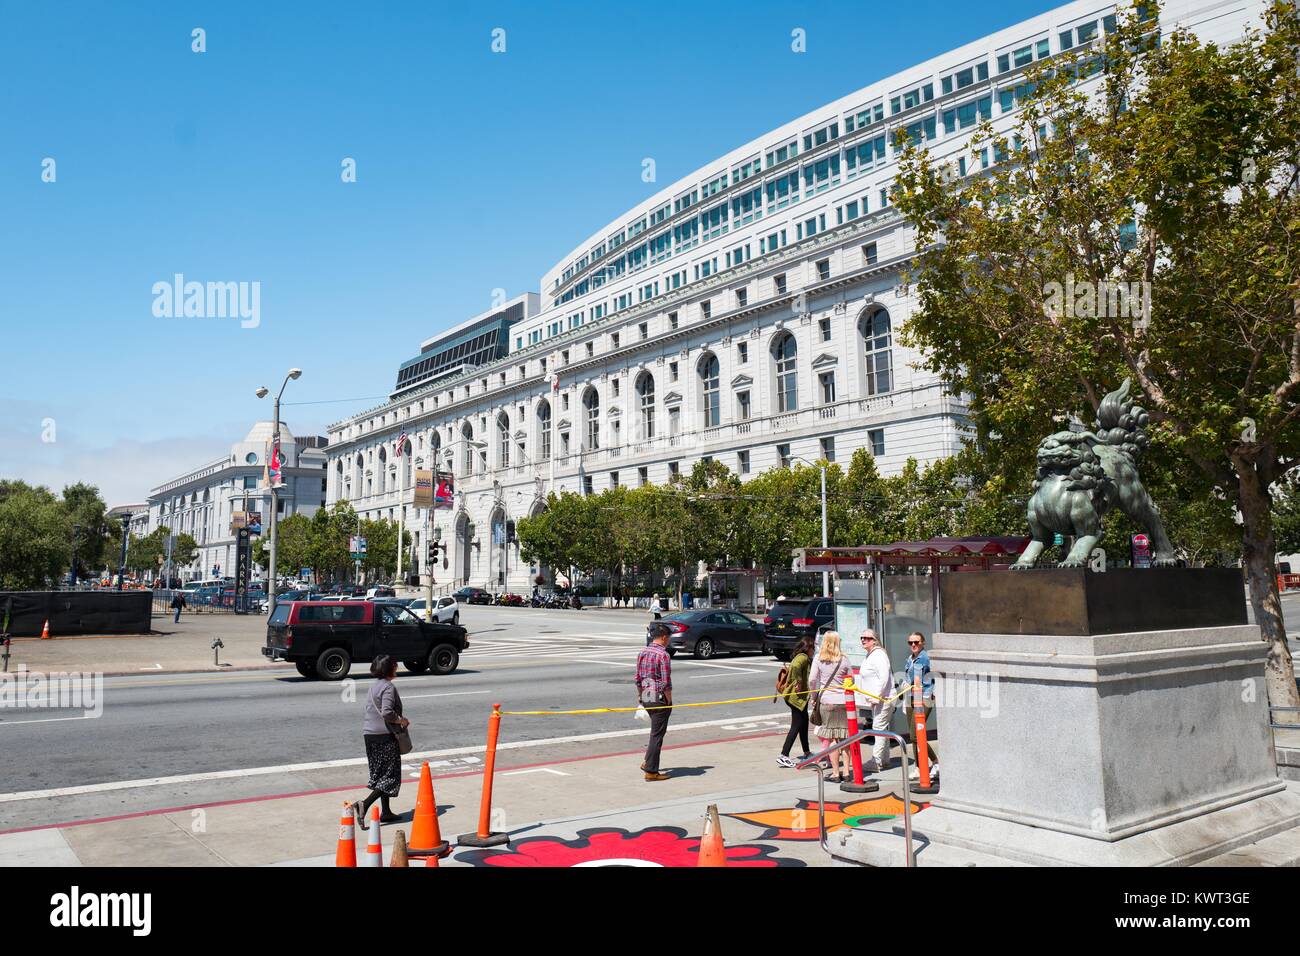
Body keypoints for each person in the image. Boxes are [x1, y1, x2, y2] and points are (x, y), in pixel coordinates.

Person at [353, 654, 408, 827]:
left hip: (369, 735)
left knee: (380, 774)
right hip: (384, 735)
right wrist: (401, 720)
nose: (397, 667)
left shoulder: (373, 686)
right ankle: (364, 804)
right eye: (395, 665)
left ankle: (386, 812)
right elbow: (386, 712)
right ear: (389, 668)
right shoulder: (388, 687)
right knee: (390, 775)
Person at [808, 630, 852, 782]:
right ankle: (846, 772)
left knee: (832, 738)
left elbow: (812, 680)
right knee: (845, 738)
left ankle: (835, 773)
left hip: (827, 701)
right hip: (844, 702)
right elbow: (850, 680)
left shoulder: (818, 659)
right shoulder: (844, 659)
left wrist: (814, 697)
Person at [635, 622, 673, 781]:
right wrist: (669, 701)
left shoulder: (643, 652)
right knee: (657, 734)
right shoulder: (663, 655)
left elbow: (638, 679)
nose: (669, 641)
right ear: (664, 637)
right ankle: (651, 771)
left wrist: (640, 697)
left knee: (655, 732)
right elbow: (665, 683)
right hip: (659, 698)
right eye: (669, 638)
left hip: (646, 695)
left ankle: (648, 762)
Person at [855, 629, 897, 774]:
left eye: (867, 638)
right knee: (881, 727)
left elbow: (884, 677)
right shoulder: (871, 655)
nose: (863, 640)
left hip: (884, 698)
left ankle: (876, 760)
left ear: (875, 640)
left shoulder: (878, 655)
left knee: (878, 727)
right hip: (878, 699)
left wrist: (876, 696)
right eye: (862, 637)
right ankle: (884, 759)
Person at [904, 631, 940, 778]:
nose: (913, 645)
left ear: (923, 643)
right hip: (910, 697)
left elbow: (936, 676)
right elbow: (908, 678)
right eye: (910, 642)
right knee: (913, 736)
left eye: (916, 642)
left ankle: (936, 761)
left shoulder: (926, 658)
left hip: (924, 697)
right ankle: (919, 767)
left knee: (915, 735)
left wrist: (934, 692)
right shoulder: (910, 659)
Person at [776, 635, 815, 768]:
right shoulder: (802, 658)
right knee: (797, 726)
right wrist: (798, 682)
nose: (813, 651)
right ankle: (784, 755)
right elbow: (797, 667)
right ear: (808, 648)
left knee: (803, 724)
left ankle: (807, 752)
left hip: (797, 698)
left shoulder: (800, 656)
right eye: (812, 648)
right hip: (796, 698)